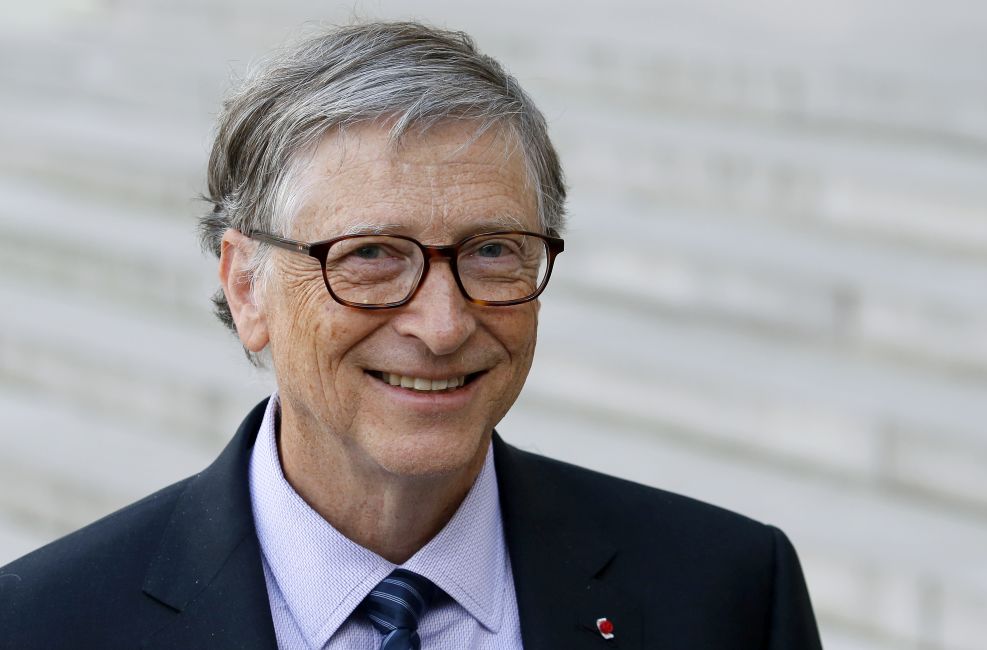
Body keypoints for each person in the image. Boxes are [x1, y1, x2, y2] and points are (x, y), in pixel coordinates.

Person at [0, 21, 822, 649]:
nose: (442, 325)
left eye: (493, 250)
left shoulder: (728, 595)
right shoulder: (43, 625)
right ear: (246, 287)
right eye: (370, 257)